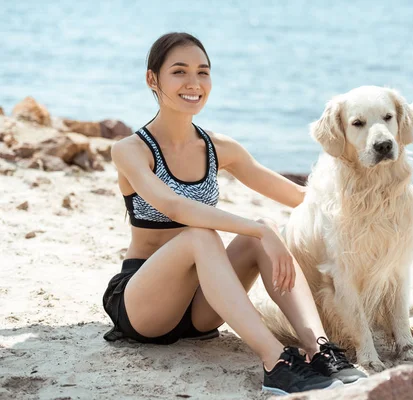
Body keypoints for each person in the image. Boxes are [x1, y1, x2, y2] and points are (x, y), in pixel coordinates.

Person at [101, 32, 367, 395]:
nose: (194, 83)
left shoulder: (220, 148)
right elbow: (176, 207)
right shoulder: (130, 150)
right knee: (202, 234)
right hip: (145, 306)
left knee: (261, 232)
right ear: (153, 79)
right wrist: (259, 229)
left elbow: (299, 197)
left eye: (203, 72)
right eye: (179, 72)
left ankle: (319, 350)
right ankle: (276, 362)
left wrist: (365, 192)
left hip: (203, 306)